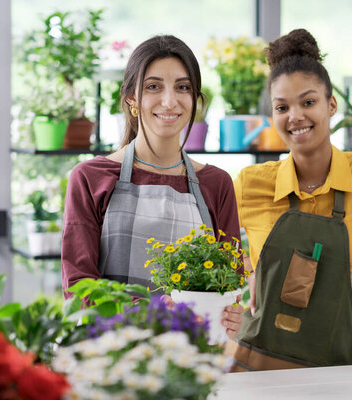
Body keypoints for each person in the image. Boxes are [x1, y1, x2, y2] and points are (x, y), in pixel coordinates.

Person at [229, 29, 352, 370]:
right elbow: (204, 263)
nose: (295, 116)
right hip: (254, 372)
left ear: (331, 104)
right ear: (273, 115)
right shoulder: (250, 184)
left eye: (308, 102)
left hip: (333, 375)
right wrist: (234, 291)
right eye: (282, 107)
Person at [61, 35, 243, 338]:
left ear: (195, 100)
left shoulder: (217, 183)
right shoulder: (91, 177)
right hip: (110, 358)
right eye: (153, 86)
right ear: (132, 99)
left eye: (182, 87)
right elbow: (79, 288)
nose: (170, 101)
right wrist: (150, 312)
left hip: (189, 363)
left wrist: (231, 313)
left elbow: (230, 282)